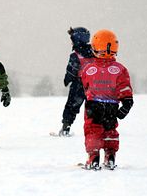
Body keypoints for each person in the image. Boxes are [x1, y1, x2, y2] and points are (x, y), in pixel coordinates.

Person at [79, 29, 134, 170]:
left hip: (93, 105)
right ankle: (110, 156)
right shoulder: (120, 69)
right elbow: (125, 88)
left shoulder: (88, 68)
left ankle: (93, 157)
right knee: (110, 130)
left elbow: (85, 85)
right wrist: (126, 103)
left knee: (92, 130)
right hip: (112, 106)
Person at [57, 27, 95, 136]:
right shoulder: (94, 53)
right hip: (93, 85)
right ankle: (96, 129)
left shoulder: (75, 55)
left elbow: (71, 71)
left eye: (72, 39)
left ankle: (66, 127)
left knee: (71, 106)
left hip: (78, 85)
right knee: (93, 108)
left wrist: (67, 79)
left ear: (77, 39)